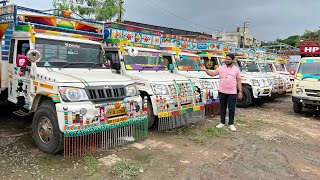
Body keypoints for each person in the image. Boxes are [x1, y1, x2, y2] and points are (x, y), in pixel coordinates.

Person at [203, 54, 242, 132]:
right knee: (222, 108)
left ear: (232, 60)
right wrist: (205, 70)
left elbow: (239, 80)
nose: (227, 60)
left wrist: (240, 91)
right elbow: (212, 74)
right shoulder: (220, 68)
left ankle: (231, 124)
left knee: (231, 108)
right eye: (226, 59)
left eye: (229, 59)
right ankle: (222, 123)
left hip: (232, 92)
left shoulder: (236, 69)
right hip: (222, 91)